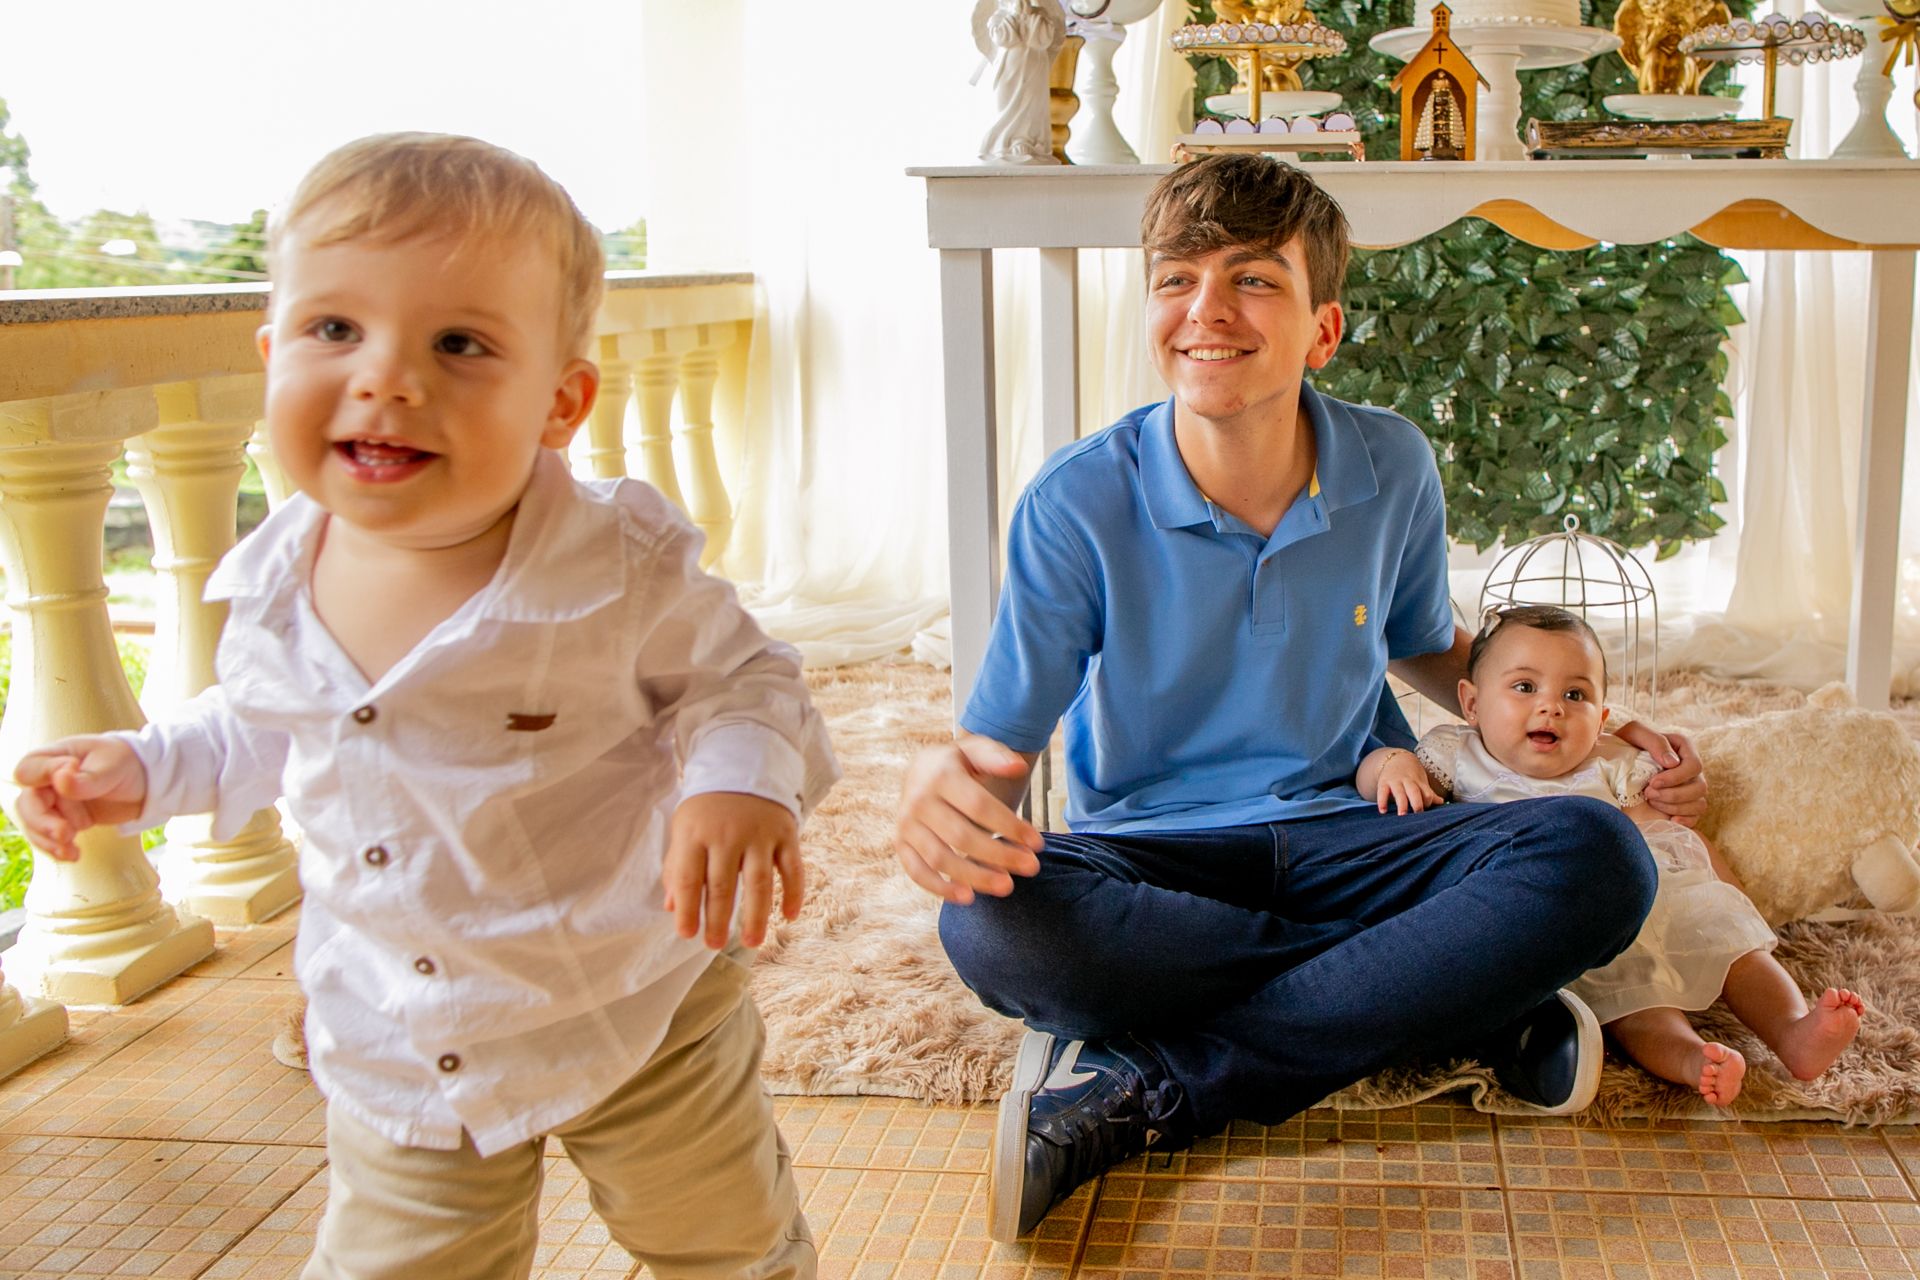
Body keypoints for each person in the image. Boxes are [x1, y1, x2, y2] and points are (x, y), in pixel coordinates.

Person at [10, 133, 837, 1280]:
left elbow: (743, 678)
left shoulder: (616, 560)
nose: (387, 377)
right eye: (334, 329)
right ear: (271, 354)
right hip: (402, 1033)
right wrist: (144, 768)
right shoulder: (268, 580)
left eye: (460, 342)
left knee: (721, 1241)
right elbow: (262, 725)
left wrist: (739, 777)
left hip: (633, 1004)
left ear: (561, 401)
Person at [892, 153, 1705, 1243]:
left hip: (1354, 832)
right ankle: (1445, 996)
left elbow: (1426, 645)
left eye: (1251, 280)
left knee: (1599, 855)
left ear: (1322, 330)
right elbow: (994, 754)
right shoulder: (1075, 502)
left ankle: (1154, 1084)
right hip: (1156, 858)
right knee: (991, 919)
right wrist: (938, 785)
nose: (1204, 311)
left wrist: (1579, 712)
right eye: (1176, 278)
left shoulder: (1394, 464)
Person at [1360, 604, 1865, 1107]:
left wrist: (1730, 898)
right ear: (1470, 703)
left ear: (1602, 717)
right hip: (1578, 924)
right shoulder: (1455, 756)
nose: (1551, 707)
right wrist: (1392, 765)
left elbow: (1675, 839)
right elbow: (1373, 775)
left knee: (1740, 953)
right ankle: (1694, 1059)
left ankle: (1795, 1031)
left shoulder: (1611, 763)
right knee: (1637, 1002)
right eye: (1524, 687)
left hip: (1654, 895)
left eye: (1574, 694)